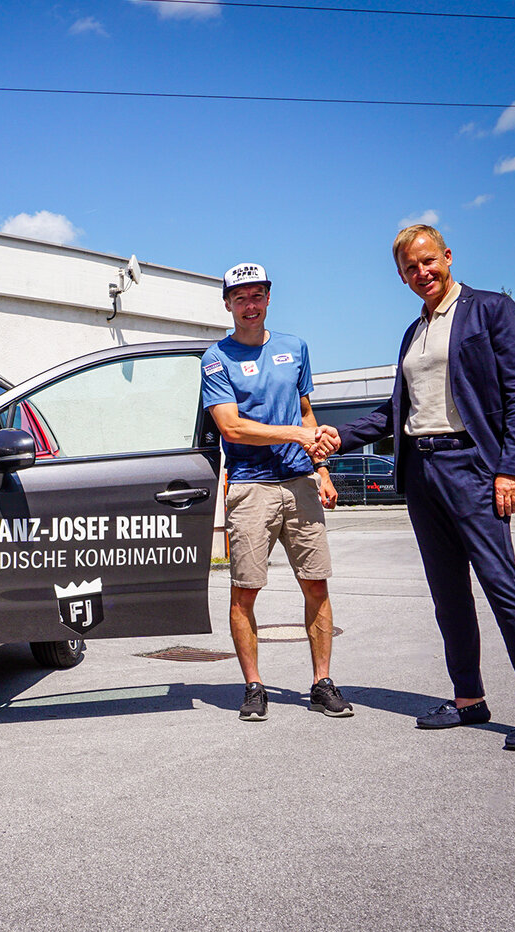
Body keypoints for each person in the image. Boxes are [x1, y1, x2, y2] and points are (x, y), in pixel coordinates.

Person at [319, 225, 515, 750]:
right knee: (448, 595)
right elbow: (397, 412)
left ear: (447, 257)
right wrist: (339, 437)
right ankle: (469, 699)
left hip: (473, 465)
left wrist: (511, 467)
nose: (422, 273)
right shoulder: (413, 332)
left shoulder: (490, 310)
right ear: (402, 276)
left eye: (429, 261)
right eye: (411, 268)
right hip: (422, 473)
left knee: (502, 586)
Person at [202, 263, 352, 722]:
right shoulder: (215, 358)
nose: (250, 305)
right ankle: (253, 686)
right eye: (241, 298)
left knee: (316, 585)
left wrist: (321, 468)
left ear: (269, 298)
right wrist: (296, 436)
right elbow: (232, 426)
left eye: (258, 295)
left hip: (300, 482)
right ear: (227, 303)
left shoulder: (294, 347)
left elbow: (307, 412)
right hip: (249, 486)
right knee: (245, 590)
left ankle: (321, 682)